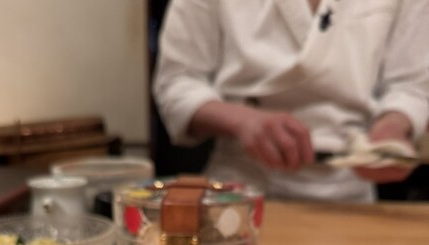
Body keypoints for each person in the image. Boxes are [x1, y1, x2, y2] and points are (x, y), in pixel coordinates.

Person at [153, 0, 429, 202]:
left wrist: (391, 130)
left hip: (349, 194)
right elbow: (176, 81)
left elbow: (411, 85)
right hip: (240, 187)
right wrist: (243, 121)